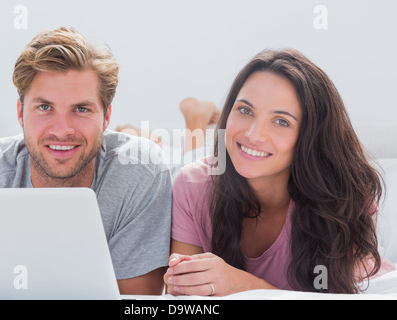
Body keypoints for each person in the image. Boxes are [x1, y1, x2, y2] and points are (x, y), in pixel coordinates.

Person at [0, 27, 172, 295]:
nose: (62, 129)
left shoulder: (140, 170)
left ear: (106, 116)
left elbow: (134, 301)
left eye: (81, 109)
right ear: (20, 113)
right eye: (45, 107)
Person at [163, 48, 395, 296]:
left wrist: (241, 286)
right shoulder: (191, 185)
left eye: (281, 121)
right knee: (181, 162)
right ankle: (196, 122)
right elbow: (184, 299)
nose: (254, 134)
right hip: (209, 173)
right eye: (245, 110)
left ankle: (196, 121)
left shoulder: (344, 198)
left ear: (310, 137)